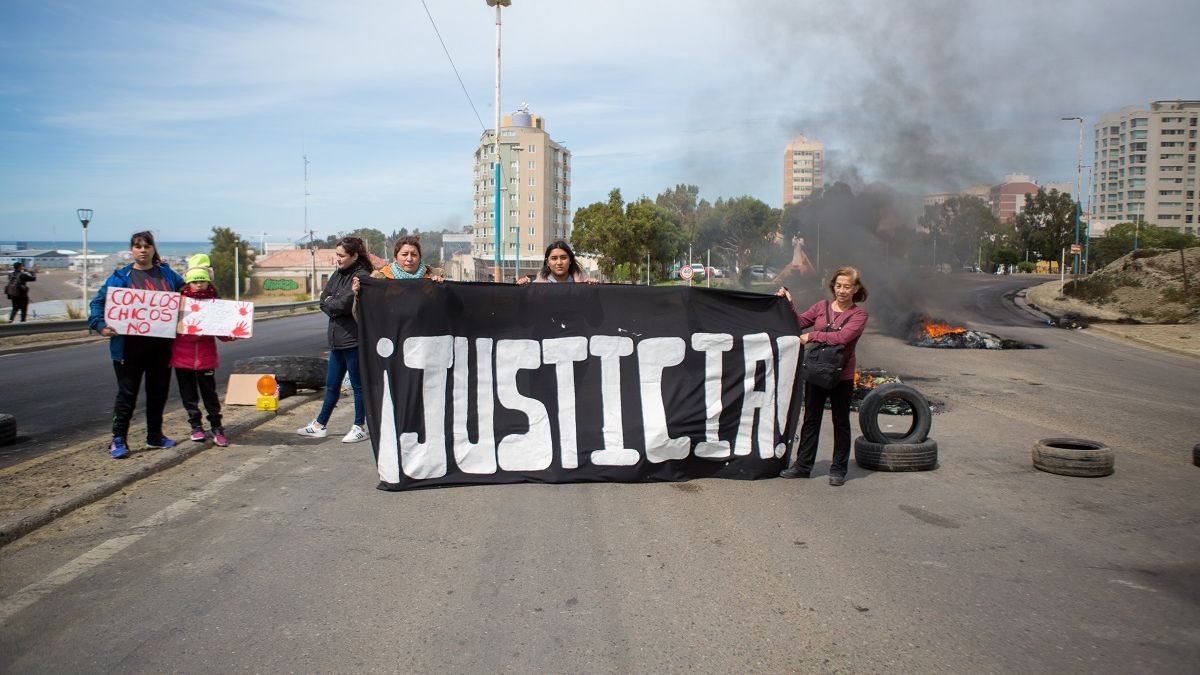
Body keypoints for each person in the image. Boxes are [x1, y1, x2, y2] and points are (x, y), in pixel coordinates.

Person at [88, 230, 186, 459]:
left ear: (153, 249)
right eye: (138, 246)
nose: (142, 250)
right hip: (129, 348)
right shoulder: (120, 277)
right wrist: (100, 325)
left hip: (161, 347)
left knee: (158, 392)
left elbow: (187, 295)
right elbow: (97, 302)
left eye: (146, 246)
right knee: (127, 394)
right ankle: (118, 438)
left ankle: (155, 436)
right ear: (132, 250)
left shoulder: (168, 275)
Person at [776, 266, 869, 486]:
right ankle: (803, 465)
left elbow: (843, 338)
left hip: (841, 376)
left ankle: (838, 469)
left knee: (840, 422)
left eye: (847, 286)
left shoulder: (859, 315)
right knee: (810, 419)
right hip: (815, 372)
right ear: (833, 286)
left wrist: (811, 336)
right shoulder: (821, 307)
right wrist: (787, 302)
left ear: (856, 289)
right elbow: (797, 323)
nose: (842, 291)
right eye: (838, 286)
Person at [297, 237, 376, 443]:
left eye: (341, 256)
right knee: (332, 384)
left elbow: (341, 305)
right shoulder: (338, 274)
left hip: (354, 340)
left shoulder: (361, 276)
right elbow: (324, 300)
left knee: (358, 386)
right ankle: (320, 424)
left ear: (354, 256)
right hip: (336, 340)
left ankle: (360, 426)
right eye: (337, 255)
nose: (338, 259)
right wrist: (332, 302)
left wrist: (333, 303)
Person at [172, 254, 235, 447]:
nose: (199, 284)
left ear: (209, 281)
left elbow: (221, 329)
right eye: (195, 281)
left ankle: (217, 427)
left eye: (203, 280)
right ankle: (196, 427)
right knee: (188, 395)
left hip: (206, 357)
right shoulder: (179, 302)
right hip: (182, 357)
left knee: (210, 394)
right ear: (188, 282)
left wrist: (231, 333)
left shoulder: (215, 303)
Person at [515, 240, 598, 285]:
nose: (559, 262)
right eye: (554, 258)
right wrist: (522, 287)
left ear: (570, 261)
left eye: (563, 258)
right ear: (547, 262)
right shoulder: (536, 286)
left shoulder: (584, 285)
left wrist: (592, 286)